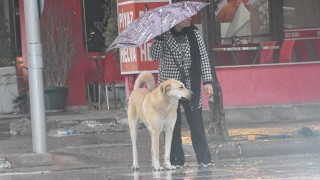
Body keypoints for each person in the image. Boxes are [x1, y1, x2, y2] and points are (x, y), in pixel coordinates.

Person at [150, 17, 214, 167]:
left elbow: (203, 57)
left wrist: (208, 81)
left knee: (196, 122)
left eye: (191, 15)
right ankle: (176, 159)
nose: (190, 18)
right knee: (172, 125)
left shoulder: (194, 33)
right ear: (176, 19)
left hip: (190, 85)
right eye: (185, 16)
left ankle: (204, 158)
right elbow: (154, 55)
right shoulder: (164, 35)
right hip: (170, 89)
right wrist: (159, 37)